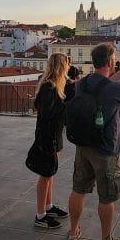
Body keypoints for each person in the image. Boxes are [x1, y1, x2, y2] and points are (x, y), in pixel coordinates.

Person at [66, 43, 120, 240]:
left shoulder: (82, 83)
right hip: (106, 149)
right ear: (110, 61)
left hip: (83, 144)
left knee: (78, 189)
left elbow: (103, 86)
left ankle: (73, 233)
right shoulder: (114, 89)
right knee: (106, 197)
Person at [31, 53, 71, 229]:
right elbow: (48, 112)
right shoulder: (49, 87)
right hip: (48, 137)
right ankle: (40, 215)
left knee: (50, 173)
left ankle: (48, 206)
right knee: (45, 175)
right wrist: (66, 107)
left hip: (54, 136)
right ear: (61, 67)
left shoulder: (53, 86)